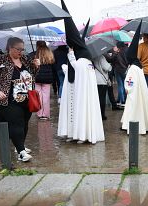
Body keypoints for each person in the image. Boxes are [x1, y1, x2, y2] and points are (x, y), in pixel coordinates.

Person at [59, 0, 104, 144]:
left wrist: (71, 57)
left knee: (81, 108)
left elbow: (80, 68)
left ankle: (83, 134)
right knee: (72, 108)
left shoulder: (83, 55)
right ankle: (72, 133)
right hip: (73, 88)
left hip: (82, 91)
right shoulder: (78, 53)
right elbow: (73, 72)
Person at [0, 37, 39, 161]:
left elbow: (32, 76)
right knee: (17, 123)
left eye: (23, 49)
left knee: (25, 122)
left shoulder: (26, 59)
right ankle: (21, 153)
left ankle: (19, 145)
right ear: (10, 48)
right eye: (18, 49)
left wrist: (36, 66)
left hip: (27, 98)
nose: (21, 52)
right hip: (8, 99)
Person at [121, 21, 148, 134]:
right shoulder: (139, 67)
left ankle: (132, 126)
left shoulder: (132, 68)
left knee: (134, 108)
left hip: (133, 95)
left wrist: (127, 89)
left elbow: (129, 84)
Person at [34, 41, 55, 120]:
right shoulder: (50, 53)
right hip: (47, 77)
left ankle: (40, 114)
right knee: (46, 97)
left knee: (38, 96)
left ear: (37, 45)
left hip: (37, 77)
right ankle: (46, 114)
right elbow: (52, 64)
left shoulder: (35, 54)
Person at [93, 54, 112, 120]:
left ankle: (95, 114)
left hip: (94, 79)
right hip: (101, 80)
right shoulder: (100, 56)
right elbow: (107, 68)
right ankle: (102, 115)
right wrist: (110, 65)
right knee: (102, 98)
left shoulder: (91, 56)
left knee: (96, 98)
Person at [110, 42, 128, 107]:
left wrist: (115, 52)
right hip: (125, 70)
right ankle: (123, 101)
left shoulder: (117, 51)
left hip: (117, 70)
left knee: (120, 85)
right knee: (125, 85)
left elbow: (112, 59)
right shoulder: (127, 50)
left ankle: (121, 101)